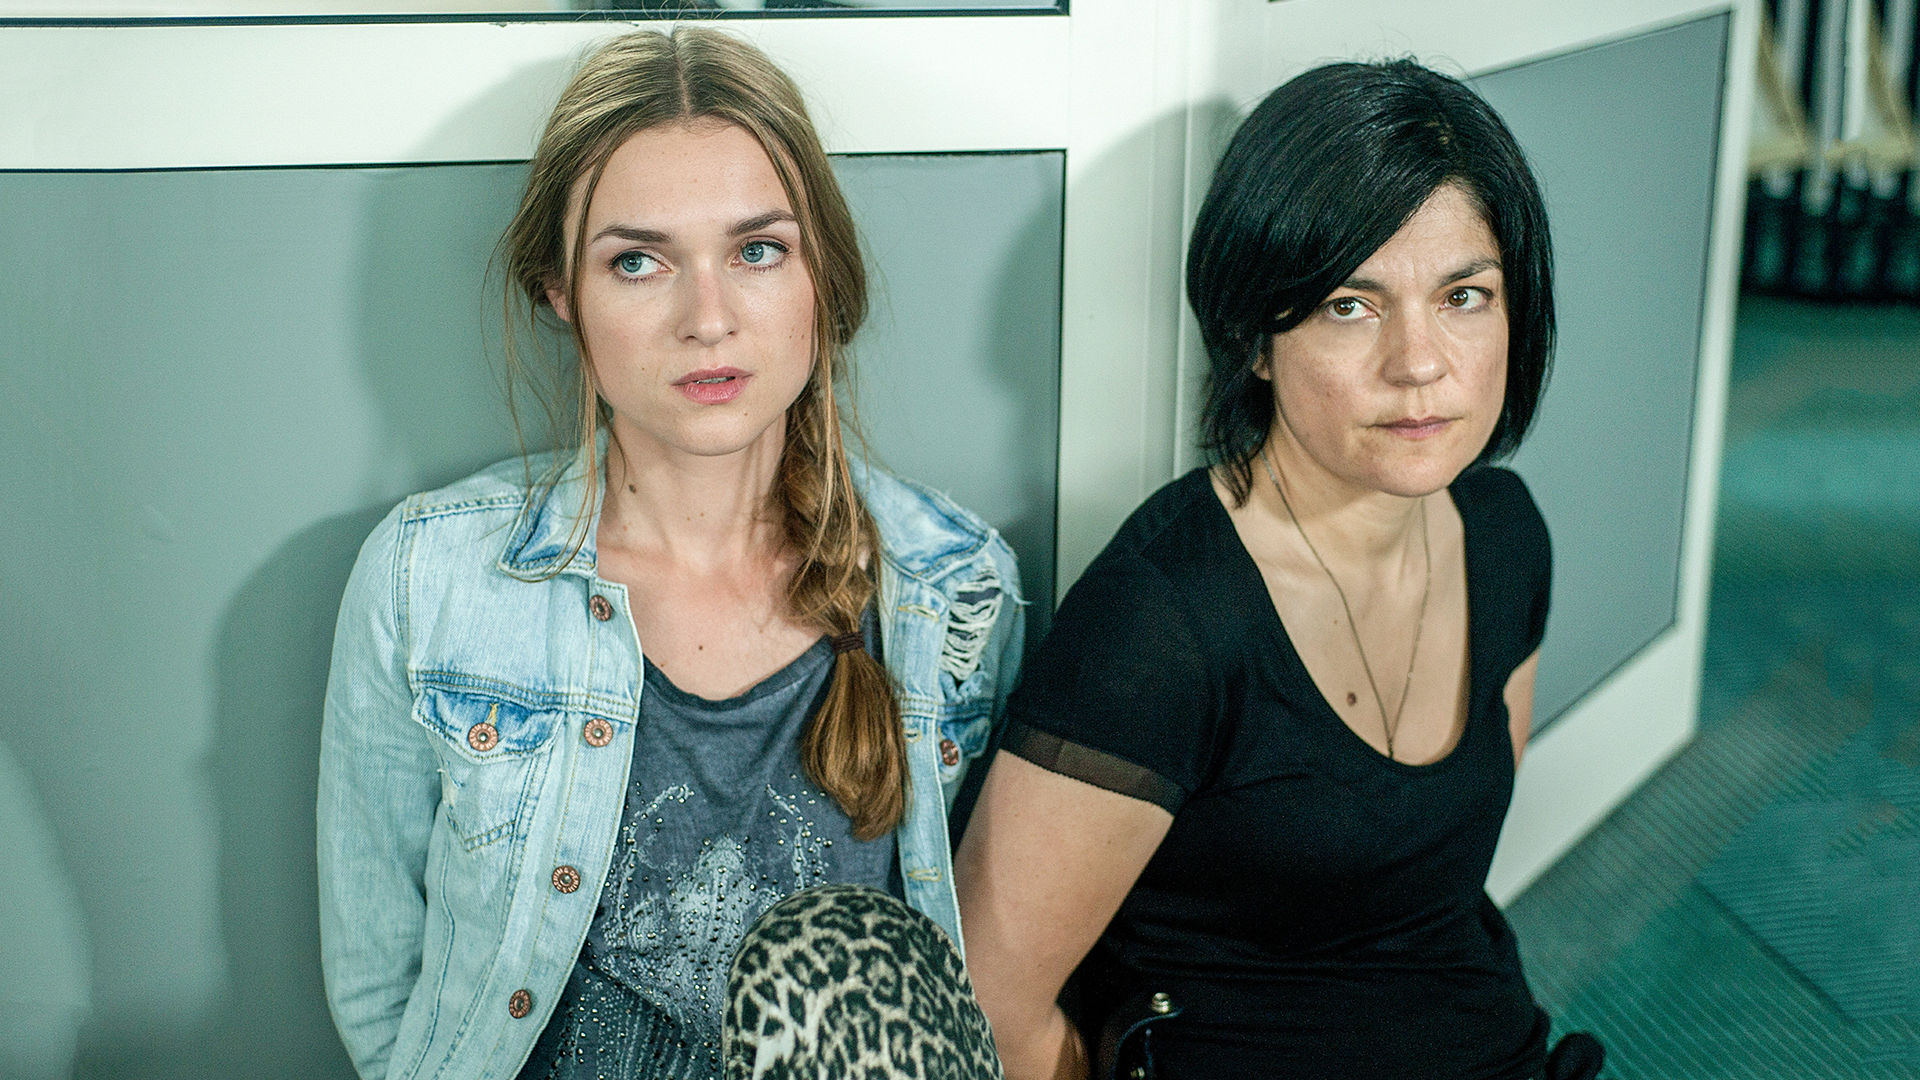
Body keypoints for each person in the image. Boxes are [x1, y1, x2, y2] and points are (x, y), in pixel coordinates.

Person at [317, 27, 1022, 1080]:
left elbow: (975, 993)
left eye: (757, 251)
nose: (708, 318)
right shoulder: (431, 582)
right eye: (638, 262)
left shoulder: (954, 586)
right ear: (562, 293)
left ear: (821, 275)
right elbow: (381, 991)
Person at [955, 60, 1600, 1080]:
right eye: (1350, 305)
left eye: (1464, 296)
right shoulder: (1163, 620)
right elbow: (989, 1007)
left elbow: (1437, 894)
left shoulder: (1506, 535)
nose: (1419, 361)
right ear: (1255, 339)